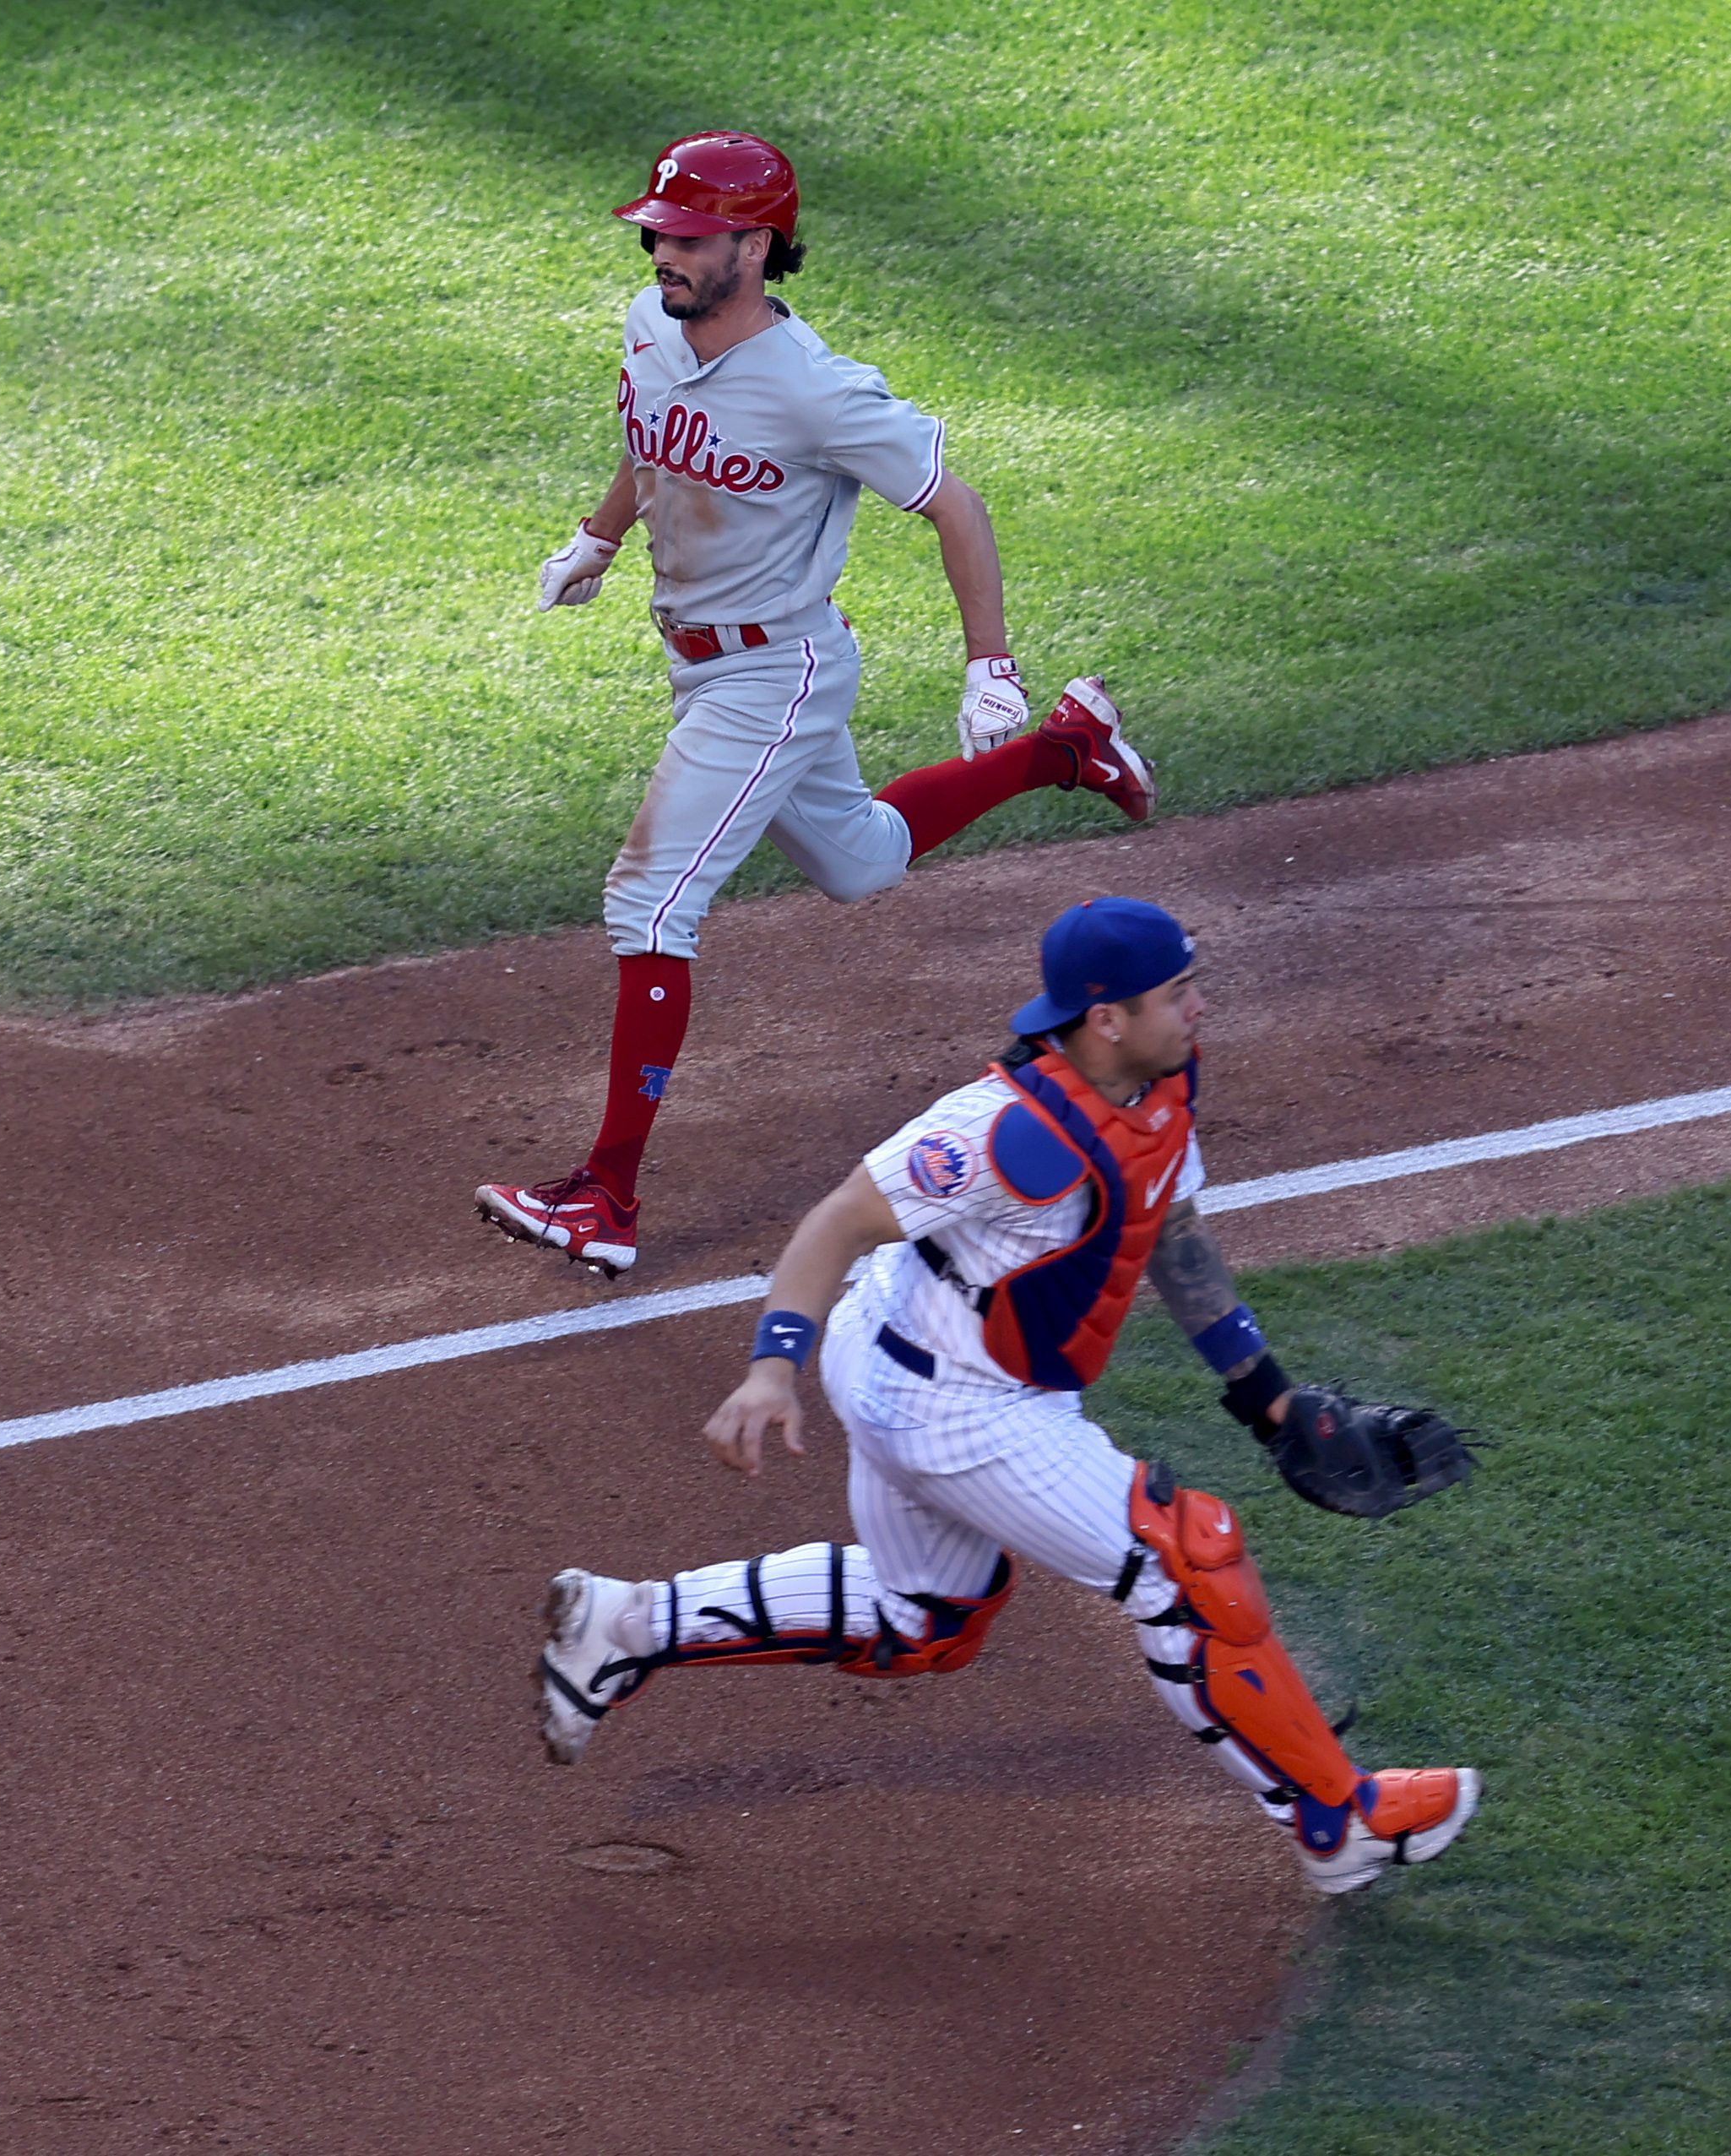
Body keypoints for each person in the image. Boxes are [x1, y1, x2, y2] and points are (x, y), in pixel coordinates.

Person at [531, 897, 1481, 1894]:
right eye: (1178, 992)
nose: (1199, 1008)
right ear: (1106, 1015)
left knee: (929, 1619)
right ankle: (1336, 1821)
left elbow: (1169, 1228)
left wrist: (1267, 1396)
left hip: (930, 1365)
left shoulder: (1155, 1085)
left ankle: (624, 1626)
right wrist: (772, 1367)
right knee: (1185, 1562)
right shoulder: (1003, 1135)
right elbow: (836, 1222)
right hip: (951, 1403)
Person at [477, 131, 1158, 1278]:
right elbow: (652, 441)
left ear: (758, 243)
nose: (663, 250)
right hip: (702, 660)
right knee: (860, 862)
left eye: (690, 235)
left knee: (650, 905)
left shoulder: (817, 390)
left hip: (772, 671)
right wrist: (598, 536)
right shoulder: (652, 328)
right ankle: (1064, 752)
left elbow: (958, 505)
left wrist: (986, 662)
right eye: (659, 230)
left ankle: (607, 1198)